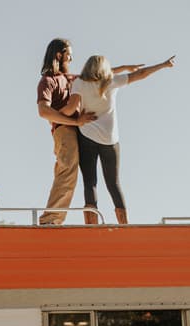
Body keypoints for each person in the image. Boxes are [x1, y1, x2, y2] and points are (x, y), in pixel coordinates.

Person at [62, 54, 175, 224]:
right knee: (113, 184)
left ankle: (91, 225)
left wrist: (54, 113)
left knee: (90, 182)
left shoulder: (79, 83)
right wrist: (163, 65)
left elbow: (70, 110)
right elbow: (141, 74)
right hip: (110, 139)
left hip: (86, 135)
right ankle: (124, 224)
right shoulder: (111, 81)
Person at [36, 38, 97, 226]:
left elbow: (97, 75)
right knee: (67, 170)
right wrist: (73, 120)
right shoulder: (48, 81)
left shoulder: (69, 79)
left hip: (79, 130)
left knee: (74, 172)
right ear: (59, 55)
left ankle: (57, 218)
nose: (71, 59)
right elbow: (43, 111)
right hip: (64, 131)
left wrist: (125, 70)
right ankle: (51, 220)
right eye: (69, 55)